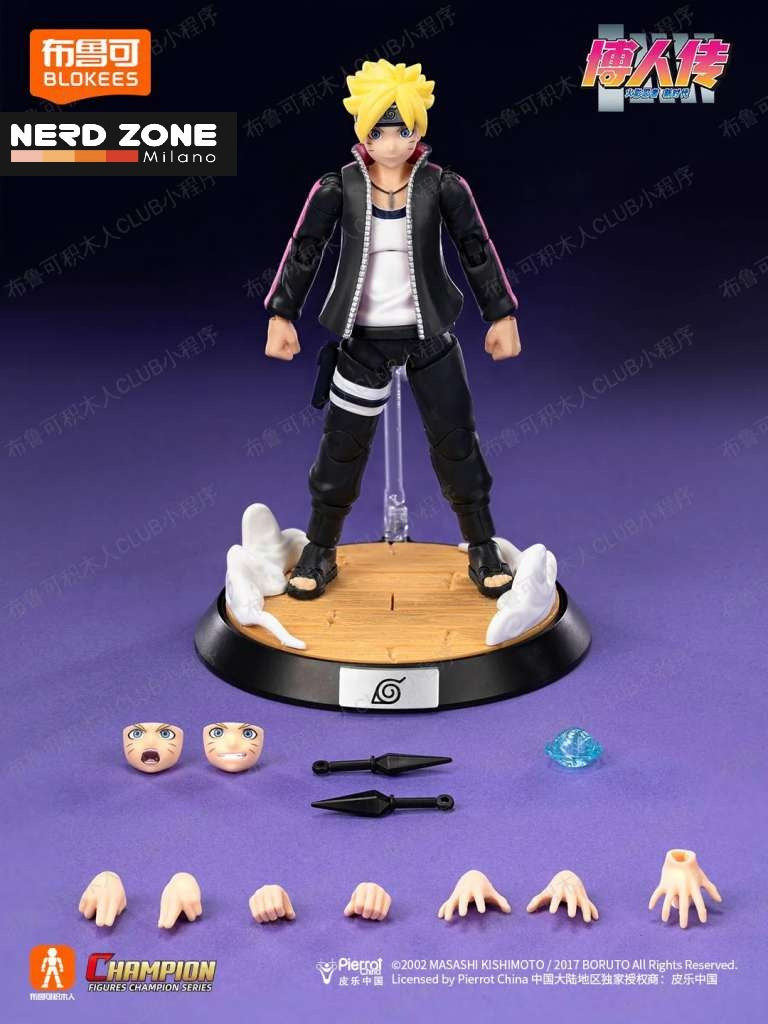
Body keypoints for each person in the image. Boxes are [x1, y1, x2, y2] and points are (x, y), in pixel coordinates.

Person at [264, 58, 522, 600]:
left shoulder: (442, 186)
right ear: (362, 132)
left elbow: (475, 249)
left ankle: (481, 545)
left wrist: (500, 313)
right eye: (378, 131)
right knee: (341, 449)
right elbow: (305, 250)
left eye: (402, 130)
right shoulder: (338, 188)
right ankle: (320, 548)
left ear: (418, 130)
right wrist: (281, 313)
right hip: (361, 342)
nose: (390, 142)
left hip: (431, 336)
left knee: (457, 444)